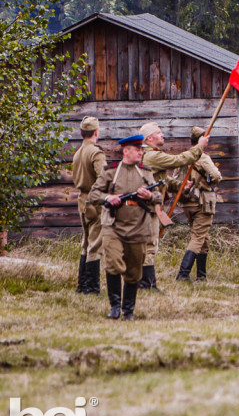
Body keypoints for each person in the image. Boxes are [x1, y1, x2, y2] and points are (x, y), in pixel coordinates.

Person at [88, 134, 157, 320]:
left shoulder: (146, 172)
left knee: (134, 271)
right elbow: (94, 194)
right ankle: (115, 306)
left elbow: (158, 196)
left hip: (138, 227)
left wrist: (149, 197)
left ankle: (128, 310)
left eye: (141, 150)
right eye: (137, 150)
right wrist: (107, 198)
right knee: (113, 264)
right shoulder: (110, 171)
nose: (141, 153)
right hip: (113, 226)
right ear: (126, 151)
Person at [139, 121, 209, 290]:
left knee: (150, 245)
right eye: (159, 132)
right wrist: (199, 147)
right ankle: (147, 284)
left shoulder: (151, 155)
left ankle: (147, 283)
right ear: (149, 138)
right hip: (148, 207)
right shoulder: (151, 156)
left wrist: (179, 185)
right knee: (149, 246)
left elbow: (161, 180)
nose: (162, 135)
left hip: (151, 205)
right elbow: (178, 160)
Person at [175, 127, 222, 282]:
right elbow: (216, 176)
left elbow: (175, 180)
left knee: (203, 238)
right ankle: (183, 273)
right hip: (202, 202)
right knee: (198, 237)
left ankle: (201, 276)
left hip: (187, 202)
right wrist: (212, 180)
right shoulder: (203, 157)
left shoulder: (184, 157)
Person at [72, 116, 106, 294]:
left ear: (81, 133)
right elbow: (103, 178)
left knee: (85, 243)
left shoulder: (78, 153)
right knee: (95, 245)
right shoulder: (96, 153)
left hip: (82, 201)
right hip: (95, 202)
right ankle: (92, 288)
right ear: (96, 132)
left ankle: (82, 285)